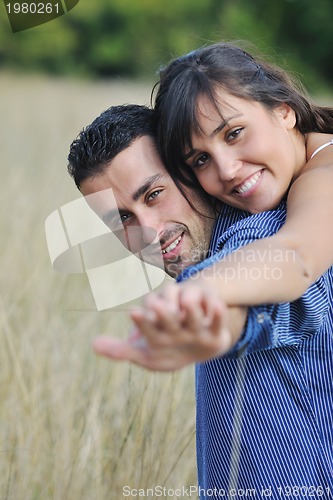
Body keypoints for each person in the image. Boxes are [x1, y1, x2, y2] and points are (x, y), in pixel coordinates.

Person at [67, 103, 333, 498]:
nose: (149, 231)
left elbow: (251, 311)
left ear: (192, 169)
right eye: (122, 219)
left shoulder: (259, 241)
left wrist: (199, 318)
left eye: (155, 194)